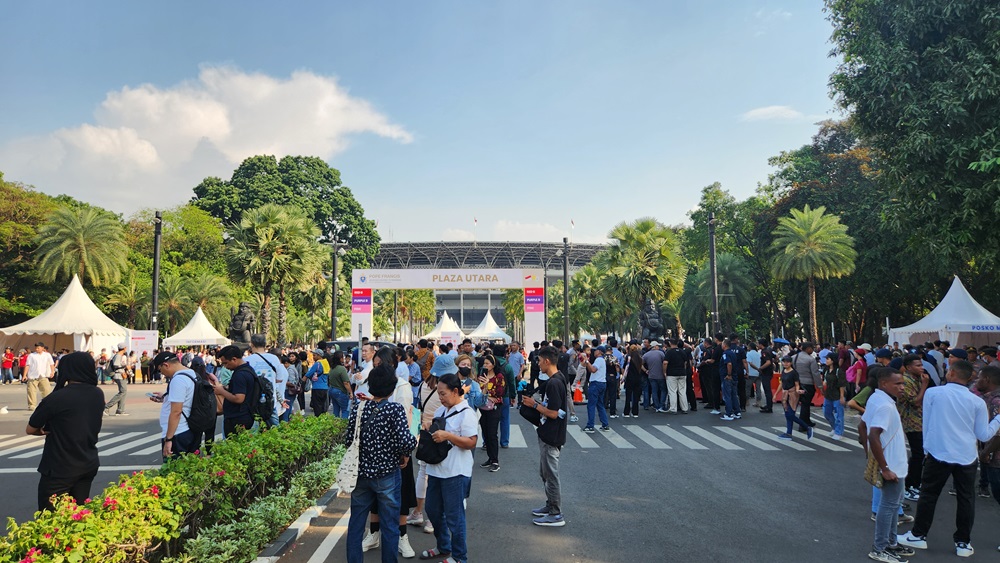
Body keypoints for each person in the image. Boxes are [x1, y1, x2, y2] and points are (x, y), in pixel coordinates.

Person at [897, 360, 1000, 558]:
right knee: (966, 499)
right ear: (969, 377)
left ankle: (919, 535)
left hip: (938, 452)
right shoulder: (977, 401)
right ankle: (963, 542)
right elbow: (984, 435)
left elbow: (926, 422)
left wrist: (927, 447)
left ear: (951, 373)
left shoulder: (933, 393)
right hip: (967, 455)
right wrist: (998, 420)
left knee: (929, 495)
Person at [345, 365, 416, 563]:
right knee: (390, 526)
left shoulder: (358, 408)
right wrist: (412, 442)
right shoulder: (394, 409)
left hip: (361, 474)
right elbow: (405, 442)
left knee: (356, 524)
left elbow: (349, 439)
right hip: (387, 475)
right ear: (392, 389)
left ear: (370, 385)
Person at [25, 351, 104, 511]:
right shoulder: (97, 394)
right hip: (88, 462)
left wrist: (41, 431)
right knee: (78, 514)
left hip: (59, 466)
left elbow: (30, 428)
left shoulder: (57, 398)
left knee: (50, 516)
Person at [420, 372, 478, 563]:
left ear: (455, 391)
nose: (440, 397)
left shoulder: (467, 413)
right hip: (436, 469)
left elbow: (471, 442)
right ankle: (444, 546)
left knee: (455, 516)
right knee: (433, 510)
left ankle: (460, 556)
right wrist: (430, 427)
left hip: (456, 472)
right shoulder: (441, 411)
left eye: (443, 393)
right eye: (438, 393)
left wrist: (448, 436)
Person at [859, 368, 913, 563]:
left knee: (893, 504)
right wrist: (884, 467)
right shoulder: (886, 406)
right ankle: (879, 548)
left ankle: (891, 542)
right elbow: (873, 434)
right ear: (883, 384)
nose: (902, 387)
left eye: (903, 383)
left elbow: (862, 426)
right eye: (897, 384)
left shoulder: (876, 398)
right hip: (892, 464)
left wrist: (869, 454)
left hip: (894, 462)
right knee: (889, 506)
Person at [521, 345, 568, 527]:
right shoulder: (557, 379)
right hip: (548, 433)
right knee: (545, 473)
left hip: (551, 435)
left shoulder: (555, 382)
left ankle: (556, 513)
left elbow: (554, 413)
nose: (538, 364)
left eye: (539, 361)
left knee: (551, 475)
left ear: (547, 361)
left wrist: (534, 405)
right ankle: (550, 506)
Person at [148, 352, 200, 461]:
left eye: (160, 370)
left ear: (166, 365)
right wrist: (166, 397)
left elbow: (176, 412)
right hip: (190, 429)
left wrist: (169, 439)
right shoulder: (191, 373)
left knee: (173, 472)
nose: (162, 373)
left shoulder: (178, 380)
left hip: (178, 433)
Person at [897, 354, 930, 503]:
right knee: (917, 454)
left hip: (921, 421)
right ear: (909, 367)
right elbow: (915, 402)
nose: (921, 367)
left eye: (921, 364)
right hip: (912, 421)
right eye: (917, 365)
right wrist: (924, 386)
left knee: (921, 454)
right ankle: (910, 485)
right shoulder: (906, 381)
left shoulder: (918, 378)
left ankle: (915, 482)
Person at [212, 345, 257, 437]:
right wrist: (227, 389)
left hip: (238, 417)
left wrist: (221, 391)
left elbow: (239, 398)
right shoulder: (248, 369)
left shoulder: (240, 375)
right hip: (246, 414)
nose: (225, 367)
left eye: (226, 363)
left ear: (234, 359)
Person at [245, 334, 282, 427]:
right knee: (276, 432)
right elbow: (279, 379)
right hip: (270, 401)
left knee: (253, 433)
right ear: (265, 344)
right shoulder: (274, 358)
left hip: (252, 401)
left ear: (252, 344)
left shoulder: (246, 360)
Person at [476, 354, 505, 472]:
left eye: (488, 363)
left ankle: (495, 460)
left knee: (492, 434)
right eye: (484, 363)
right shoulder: (481, 376)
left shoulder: (499, 376)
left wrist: (488, 386)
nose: (485, 365)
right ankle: (489, 458)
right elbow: (479, 391)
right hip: (483, 409)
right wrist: (487, 393)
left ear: (493, 365)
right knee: (486, 433)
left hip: (494, 408)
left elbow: (500, 392)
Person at [777, 356, 813, 440]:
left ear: (791, 363)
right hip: (785, 394)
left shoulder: (794, 373)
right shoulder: (783, 371)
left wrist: (798, 391)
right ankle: (789, 433)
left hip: (793, 395)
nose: (785, 363)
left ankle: (807, 427)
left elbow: (797, 384)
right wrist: (775, 394)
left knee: (790, 414)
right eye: (784, 362)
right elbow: (781, 383)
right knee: (788, 414)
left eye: (787, 362)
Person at [792, 342, 821, 432]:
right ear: (808, 348)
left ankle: (807, 421)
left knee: (799, 404)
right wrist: (819, 386)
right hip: (807, 384)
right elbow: (815, 373)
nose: (812, 350)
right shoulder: (810, 359)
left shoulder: (794, 358)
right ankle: (803, 424)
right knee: (805, 404)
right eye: (812, 348)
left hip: (796, 383)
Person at [582, 346, 610, 432]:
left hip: (596, 383)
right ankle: (605, 424)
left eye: (596, 350)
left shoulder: (599, 360)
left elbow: (593, 370)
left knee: (591, 405)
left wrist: (586, 361)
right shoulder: (601, 360)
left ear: (600, 352)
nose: (594, 352)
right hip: (602, 383)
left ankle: (590, 425)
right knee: (600, 404)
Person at [821, 353, 846, 440]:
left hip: (837, 395)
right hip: (828, 394)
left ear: (833, 360)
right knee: (826, 412)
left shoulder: (839, 371)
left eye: (828, 359)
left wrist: (842, 396)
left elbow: (842, 385)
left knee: (839, 414)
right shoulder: (826, 370)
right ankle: (835, 427)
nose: (826, 360)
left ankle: (839, 432)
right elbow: (824, 380)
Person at [24, 342, 54, 411]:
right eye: (36, 348)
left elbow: (51, 364)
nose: (37, 349)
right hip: (33, 376)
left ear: (43, 348)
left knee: (46, 391)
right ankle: (32, 405)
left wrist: (52, 371)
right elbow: (27, 365)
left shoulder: (47, 355)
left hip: (43, 375)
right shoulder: (31, 355)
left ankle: (47, 404)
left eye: (38, 348)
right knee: (31, 391)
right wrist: (24, 375)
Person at [104, 343, 130, 416]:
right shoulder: (118, 355)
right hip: (119, 375)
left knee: (123, 392)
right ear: (124, 348)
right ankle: (106, 407)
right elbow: (116, 365)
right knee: (122, 392)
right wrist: (125, 366)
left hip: (121, 375)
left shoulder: (118, 355)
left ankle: (120, 410)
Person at [664, 339, 689, 414]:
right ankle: (684, 408)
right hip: (682, 373)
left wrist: (664, 372)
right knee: (682, 391)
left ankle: (673, 409)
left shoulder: (669, 352)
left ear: (669, 343)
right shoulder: (682, 351)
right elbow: (685, 362)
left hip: (671, 373)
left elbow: (665, 363)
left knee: (672, 391)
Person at [641, 341, 667, 412]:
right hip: (661, 375)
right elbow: (665, 363)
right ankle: (662, 405)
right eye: (658, 346)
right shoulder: (661, 353)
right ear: (655, 346)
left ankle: (656, 405)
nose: (659, 347)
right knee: (663, 390)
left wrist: (645, 370)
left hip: (651, 376)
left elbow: (640, 364)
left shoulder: (646, 355)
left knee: (654, 391)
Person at [720, 338, 742, 421]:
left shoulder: (725, 354)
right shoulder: (732, 353)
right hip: (734, 376)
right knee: (734, 395)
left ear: (725, 345)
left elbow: (729, 364)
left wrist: (728, 374)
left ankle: (728, 413)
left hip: (727, 377)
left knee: (727, 395)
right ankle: (737, 411)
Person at [328, 351, 353, 418]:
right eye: (343, 357)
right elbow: (346, 383)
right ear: (340, 358)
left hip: (332, 390)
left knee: (336, 410)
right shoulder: (342, 369)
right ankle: (343, 426)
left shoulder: (332, 368)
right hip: (340, 391)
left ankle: (335, 425)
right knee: (345, 410)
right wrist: (350, 392)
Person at [623, 344, 644, 418]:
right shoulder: (640, 358)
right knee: (636, 396)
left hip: (629, 378)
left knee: (628, 396)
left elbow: (625, 368)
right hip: (638, 378)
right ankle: (635, 412)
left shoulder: (628, 358)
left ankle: (626, 412)